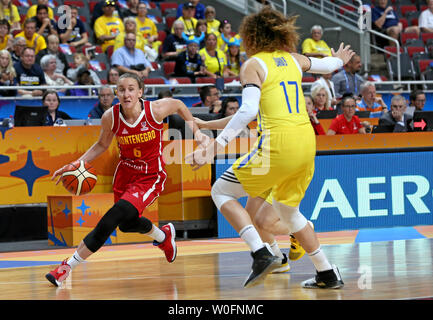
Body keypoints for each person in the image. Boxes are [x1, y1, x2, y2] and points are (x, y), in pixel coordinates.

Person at [186, 7, 352, 289]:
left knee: (221, 191)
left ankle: (261, 252)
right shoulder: (293, 59)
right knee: (289, 213)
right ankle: (328, 272)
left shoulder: (253, 64)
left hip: (278, 145)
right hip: (306, 143)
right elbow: (327, 66)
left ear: (250, 36)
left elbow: (248, 111)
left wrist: (213, 148)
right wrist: (339, 58)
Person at [45, 72, 208, 287]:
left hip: (150, 176)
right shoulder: (110, 117)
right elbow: (102, 145)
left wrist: (197, 132)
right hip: (125, 175)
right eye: (121, 90)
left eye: (131, 89)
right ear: (116, 93)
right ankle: (163, 236)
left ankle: (65, 268)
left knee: (110, 220)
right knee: (126, 225)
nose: (126, 94)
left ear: (140, 92)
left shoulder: (155, 110)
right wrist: (75, 164)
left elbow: (179, 104)